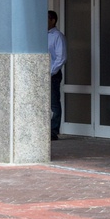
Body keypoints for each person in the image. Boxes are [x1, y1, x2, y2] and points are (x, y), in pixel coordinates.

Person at [48, 10, 67, 141]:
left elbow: (61, 57)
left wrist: (50, 72)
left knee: (54, 103)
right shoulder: (39, 35)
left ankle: (53, 131)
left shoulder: (57, 36)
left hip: (52, 74)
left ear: (53, 20)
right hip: (39, 73)